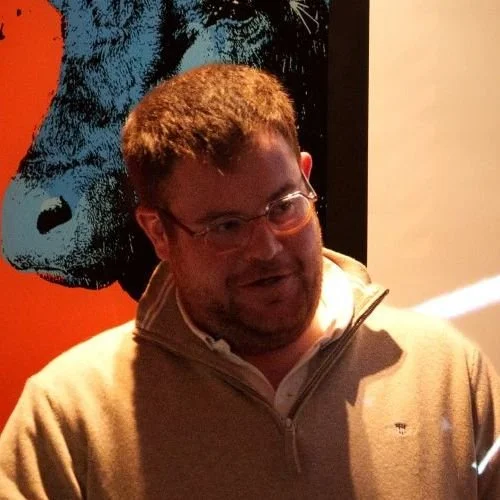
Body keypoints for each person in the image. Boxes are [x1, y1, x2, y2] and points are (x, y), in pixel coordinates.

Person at [0, 64, 498, 499]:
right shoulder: (68, 417)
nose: (267, 249)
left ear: (306, 176)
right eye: (226, 226)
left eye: (283, 206)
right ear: (159, 233)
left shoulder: (448, 373)